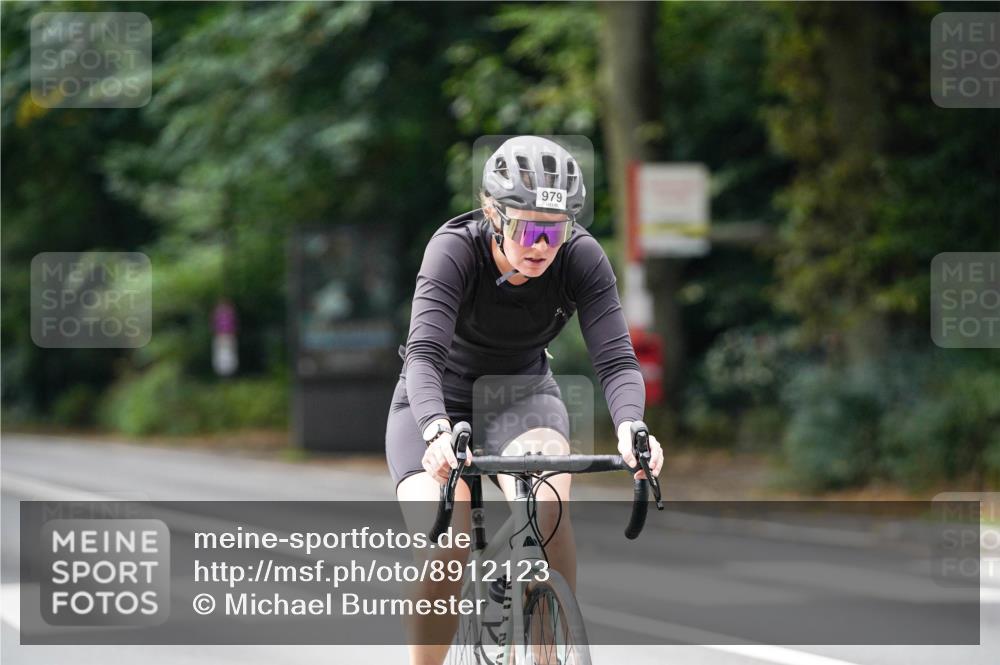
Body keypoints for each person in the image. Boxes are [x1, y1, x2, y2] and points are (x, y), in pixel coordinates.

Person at [385, 135, 663, 665]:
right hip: (434, 401)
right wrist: (436, 432)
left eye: (554, 231)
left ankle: (544, 653)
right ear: (493, 213)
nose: (540, 245)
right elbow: (422, 356)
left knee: (549, 508)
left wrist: (631, 426)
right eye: (527, 228)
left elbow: (618, 361)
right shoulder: (454, 249)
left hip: (522, 396)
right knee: (447, 542)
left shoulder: (580, 257)